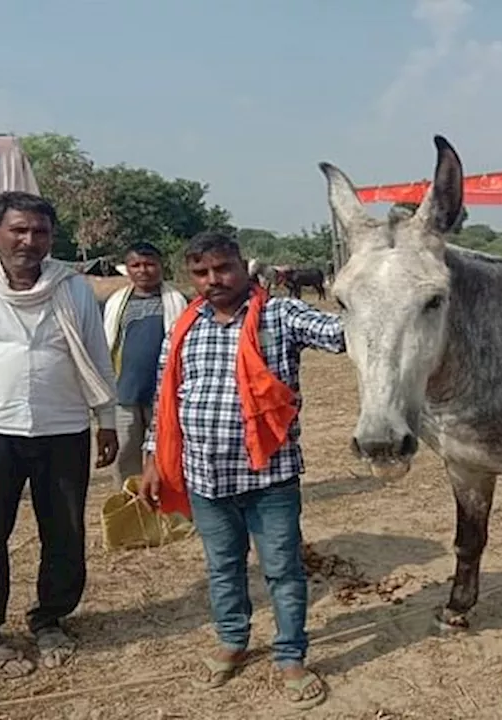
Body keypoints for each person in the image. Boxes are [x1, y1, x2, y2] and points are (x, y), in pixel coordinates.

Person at [139, 230, 345, 710]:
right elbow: (165, 397)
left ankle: (290, 655)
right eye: (201, 273)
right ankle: (233, 640)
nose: (213, 280)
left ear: (243, 266)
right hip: (205, 477)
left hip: (268, 478)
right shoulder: (185, 325)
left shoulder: (280, 314)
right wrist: (153, 456)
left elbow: (341, 334)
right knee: (223, 567)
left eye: (222, 269)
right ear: (191, 277)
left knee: (283, 570)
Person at [0, 190, 119, 679]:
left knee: (65, 532)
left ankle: (50, 618)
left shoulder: (72, 289)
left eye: (40, 232)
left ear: (52, 238)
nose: (29, 241)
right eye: (19, 230)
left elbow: (97, 355)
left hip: (64, 428)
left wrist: (107, 420)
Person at [101, 242, 188, 485]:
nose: (143, 270)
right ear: (127, 269)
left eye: (150, 264)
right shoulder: (116, 303)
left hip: (164, 393)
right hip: (124, 393)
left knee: (166, 451)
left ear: (161, 266)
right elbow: (105, 344)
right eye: (136, 265)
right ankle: (129, 505)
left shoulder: (179, 302)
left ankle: (167, 508)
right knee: (125, 451)